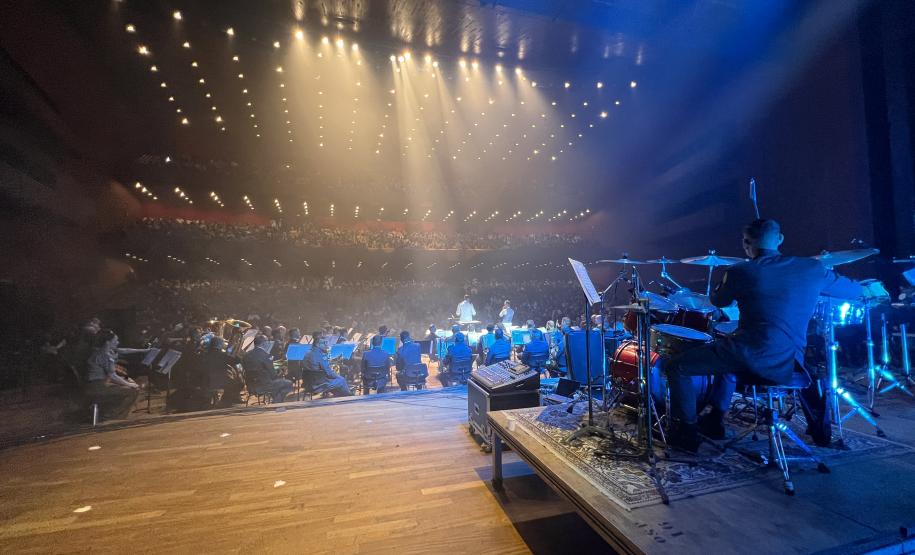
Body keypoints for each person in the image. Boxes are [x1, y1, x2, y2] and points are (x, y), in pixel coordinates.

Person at [665, 219, 868, 452]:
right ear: (780, 239)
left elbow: (718, 301)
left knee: (677, 366)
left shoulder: (741, 270)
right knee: (728, 354)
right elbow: (855, 289)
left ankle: (687, 434)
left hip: (748, 355)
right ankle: (714, 420)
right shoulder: (812, 269)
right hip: (792, 363)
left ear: (745, 243)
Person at [84, 329, 141, 420]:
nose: (117, 343)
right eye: (115, 341)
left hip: (93, 384)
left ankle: (110, 413)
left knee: (125, 386)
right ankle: (113, 416)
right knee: (133, 390)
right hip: (97, 387)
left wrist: (125, 379)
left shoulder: (97, 352)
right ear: (107, 342)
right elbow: (112, 376)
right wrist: (129, 384)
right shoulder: (104, 355)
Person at [242, 335, 293, 403]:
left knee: (274, 382)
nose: (269, 343)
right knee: (288, 383)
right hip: (264, 386)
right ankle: (276, 402)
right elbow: (273, 375)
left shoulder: (246, 355)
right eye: (267, 341)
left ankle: (275, 399)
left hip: (250, 386)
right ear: (263, 343)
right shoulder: (265, 355)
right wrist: (281, 371)